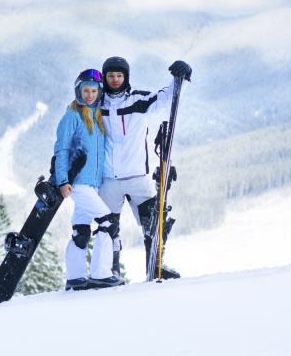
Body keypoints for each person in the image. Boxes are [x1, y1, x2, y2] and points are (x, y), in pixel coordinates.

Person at [98, 56, 192, 279]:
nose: (115, 79)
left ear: (126, 77)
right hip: (108, 180)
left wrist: (184, 77)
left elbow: (168, 98)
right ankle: (110, 272)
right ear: (104, 78)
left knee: (156, 222)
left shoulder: (138, 101)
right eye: (110, 75)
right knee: (108, 229)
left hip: (137, 178)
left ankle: (156, 265)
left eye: (119, 75)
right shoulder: (96, 104)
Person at [54, 68, 125, 290]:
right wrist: (62, 181)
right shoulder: (72, 116)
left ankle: (75, 279)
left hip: (93, 184)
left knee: (82, 231)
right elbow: (62, 149)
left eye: (94, 91)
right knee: (107, 223)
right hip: (78, 183)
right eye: (86, 90)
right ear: (78, 90)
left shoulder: (97, 115)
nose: (90, 95)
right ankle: (100, 274)